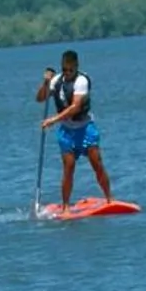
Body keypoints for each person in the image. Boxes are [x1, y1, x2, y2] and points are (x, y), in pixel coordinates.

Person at [34, 48, 114, 207]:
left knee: (97, 163)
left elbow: (75, 107)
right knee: (68, 168)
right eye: (64, 69)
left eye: (71, 69)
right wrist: (45, 83)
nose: (67, 72)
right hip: (67, 132)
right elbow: (40, 98)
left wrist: (53, 120)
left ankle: (109, 199)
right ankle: (65, 207)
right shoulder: (57, 81)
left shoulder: (82, 81)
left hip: (85, 128)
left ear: (76, 66)